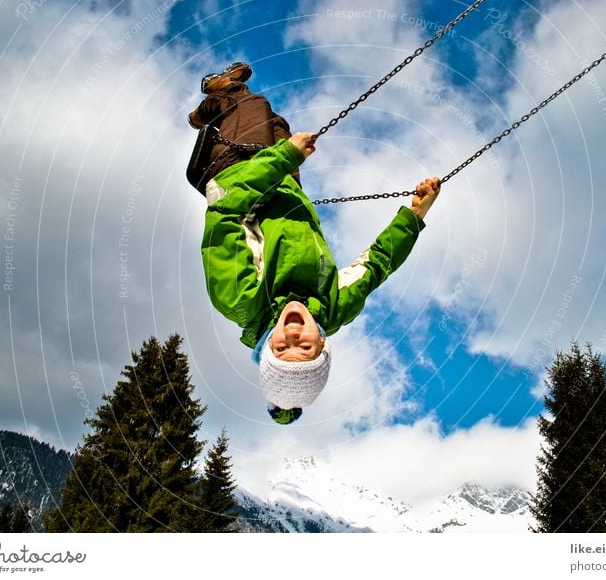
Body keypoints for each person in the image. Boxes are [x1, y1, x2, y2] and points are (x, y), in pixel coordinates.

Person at [201, 131, 440, 425]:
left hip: (239, 171)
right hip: (287, 185)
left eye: (280, 348)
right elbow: (376, 266)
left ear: (267, 345)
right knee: (282, 125)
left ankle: (211, 100)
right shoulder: (334, 307)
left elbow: (223, 216)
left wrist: (284, 157)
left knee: (246, 103)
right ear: (322, 345)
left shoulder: (240, 300)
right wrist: (414, 216)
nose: (292, 337)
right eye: (304, 348)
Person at [188, 62, 298, 186]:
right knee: (248, 101)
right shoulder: (220, 99)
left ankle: (288, 182)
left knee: (276, 121)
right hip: (236, 162)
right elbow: (194, 119)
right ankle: (251, 160)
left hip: (280, 185)